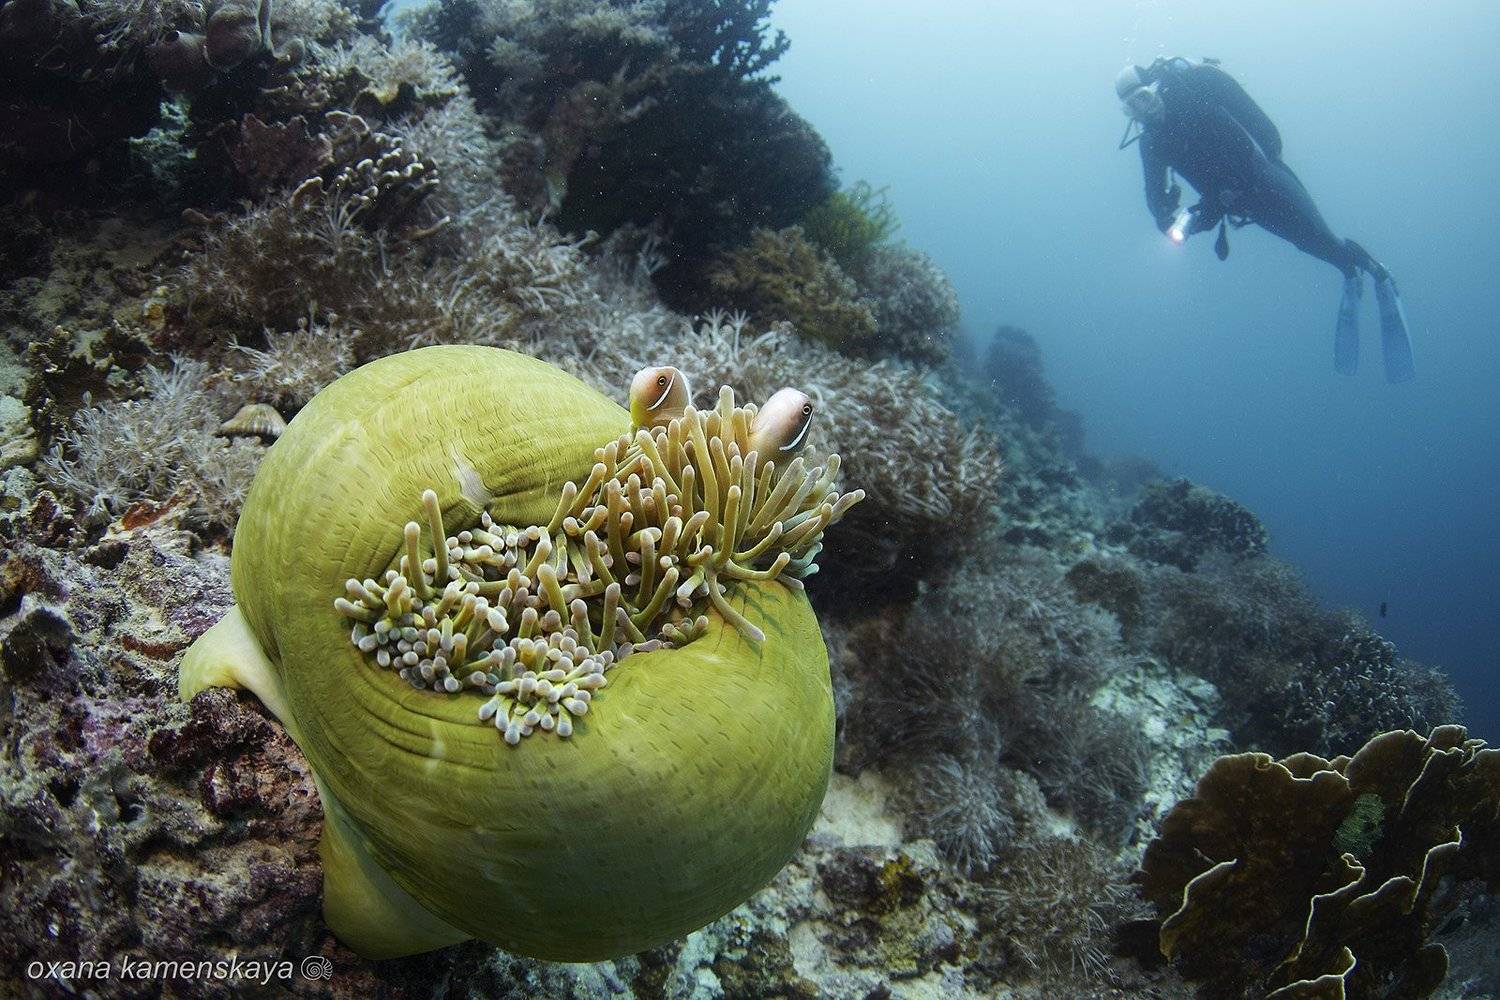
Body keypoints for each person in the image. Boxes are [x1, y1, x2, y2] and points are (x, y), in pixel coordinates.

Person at [1115, 57, 1414, 382]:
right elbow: (1156, 204)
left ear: (1156, 87)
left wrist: (1267, 161)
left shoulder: (1195, 88)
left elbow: (1261, 126)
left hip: (1265, 176)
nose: (1144, 111)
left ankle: (1378, 273)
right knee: (1305, 243)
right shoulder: (1153, 143)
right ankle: (1348, 271)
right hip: (1240, 204)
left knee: (1319, 236)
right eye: (1132, 108)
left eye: (1144, 97)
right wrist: (1174, 217)